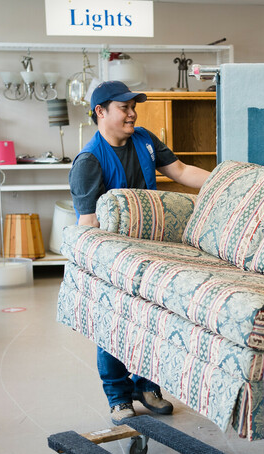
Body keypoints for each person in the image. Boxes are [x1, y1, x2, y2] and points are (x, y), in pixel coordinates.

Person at [69, 81, 211, 425]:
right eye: (124, 107)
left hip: (152, 249)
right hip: (114, 257)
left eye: (134, 106)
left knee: (154, 321)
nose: (132, 113)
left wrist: (226, 181)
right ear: (101, 112)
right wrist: (98, 272)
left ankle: (147, 387)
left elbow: (180, 171)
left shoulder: (145, 139)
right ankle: (119, 398)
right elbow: (87, 223)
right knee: (113, 326)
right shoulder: (89, 161)